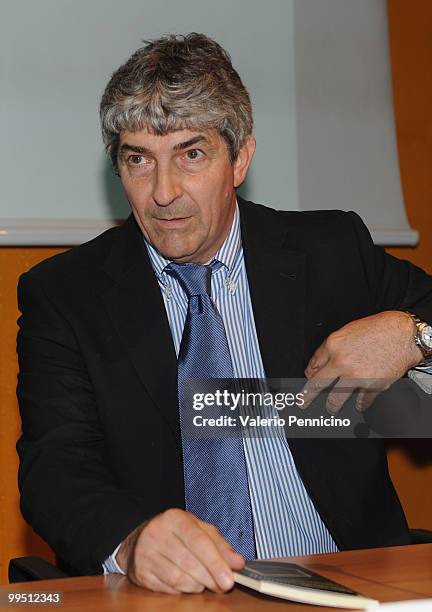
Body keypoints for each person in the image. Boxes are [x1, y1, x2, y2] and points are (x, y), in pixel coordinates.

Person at [16, 33, 432, 595]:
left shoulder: (331, 252)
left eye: (191, 154)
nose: (163, 193)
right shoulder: (66, 294)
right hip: (174, 598)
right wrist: (131, 541)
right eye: (138, 160)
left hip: (349, 584)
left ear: (239, 160)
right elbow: (55, 469)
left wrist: (416, 337)